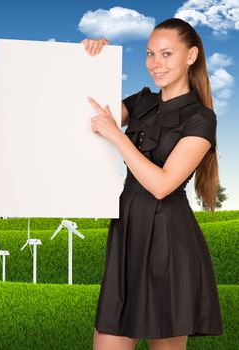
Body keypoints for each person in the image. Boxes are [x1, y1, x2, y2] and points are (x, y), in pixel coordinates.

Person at [81, 18, 223, 350]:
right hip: (127, 231)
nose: (155, 64)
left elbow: (162, 185)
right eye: (149, 54)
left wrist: (118, 137)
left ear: (191, 56)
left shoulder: (201, 119)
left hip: (169, 242)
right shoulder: (141, 102)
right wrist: (91, 62)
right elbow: (86, 117)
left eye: (166, 54)